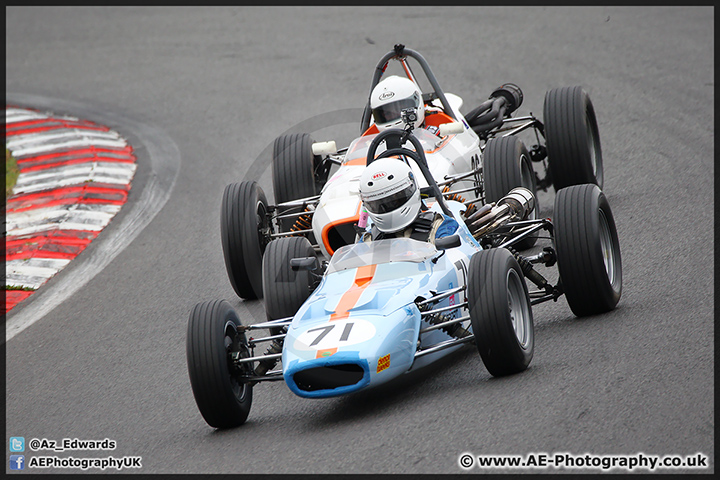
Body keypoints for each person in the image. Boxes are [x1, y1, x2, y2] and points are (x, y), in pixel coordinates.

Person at [357, 156, 458, 244]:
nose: (388, 205)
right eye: (379, 204)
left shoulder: (440, 225)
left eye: (396, 199)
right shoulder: (368, 240)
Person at [370, 75, 443, 134]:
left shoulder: (433, 135)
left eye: (400, 109)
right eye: (387, 113)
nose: (393, 115)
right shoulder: (373, 144)